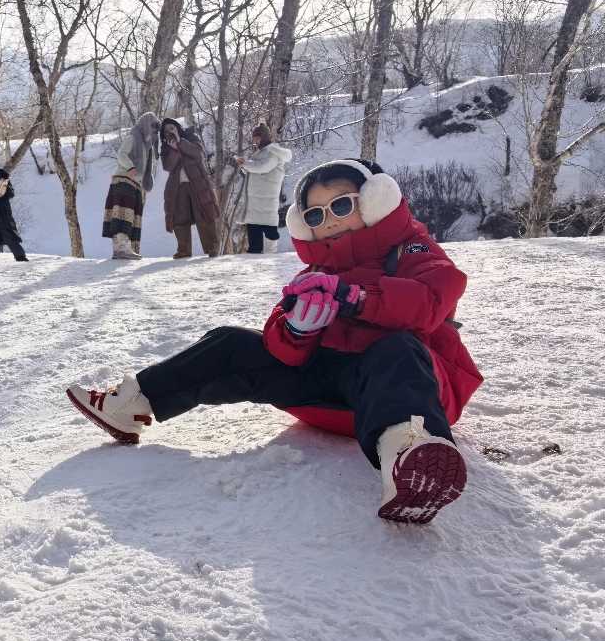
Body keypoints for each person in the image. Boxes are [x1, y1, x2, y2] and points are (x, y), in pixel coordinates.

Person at [66, 159, 483, 525]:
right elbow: (279, 348)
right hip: (330, 401)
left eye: (341, 206)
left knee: (397, 350)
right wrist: (296, 331)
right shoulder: (313, 274)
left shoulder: (412, 250)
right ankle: (130, 404)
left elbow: (430, 301)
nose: (329, 220)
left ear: (375, 201)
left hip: (407, 392)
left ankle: (409, 459)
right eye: (316, 214)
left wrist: (357, 297)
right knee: (231, 343)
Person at [102, 112, 161, 260]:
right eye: (152, 127)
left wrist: (146, 180)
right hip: (123, 180)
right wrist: (130, 167)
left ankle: (124, 249)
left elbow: (147, 166)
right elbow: (122, 154)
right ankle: (121, 249)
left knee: (132, 217)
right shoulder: (133, 137)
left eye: (156, 129)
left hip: (135, 185)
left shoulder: (147, 146)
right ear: (146, 125)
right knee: (123, 215)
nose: (154, 131)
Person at [160, 118, 221, 259]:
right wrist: (174, 149)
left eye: (172, 128)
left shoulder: (190, 136)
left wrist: (180, 143)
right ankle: (183, 250)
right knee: (179, 217)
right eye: (166, 130)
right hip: (178, 187)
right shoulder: (165, 147)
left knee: (204, 213)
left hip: (197, 183)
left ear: (177, 127)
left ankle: (212, 247)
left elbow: (198, 154)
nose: (170, 131)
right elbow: (168, 166)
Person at [234, 123, 291, 254]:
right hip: (257, 200)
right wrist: (245, 165)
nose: (254, 140)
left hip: (266, 200)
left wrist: (245, 163)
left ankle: (270, 256)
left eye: (257, 137)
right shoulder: (261, 152)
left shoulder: (273, 152)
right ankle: (255, 255)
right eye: (254, 137)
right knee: (254, 229)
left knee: (269, 230)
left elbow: (262, 167)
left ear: (263, 137)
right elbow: (256, 168)